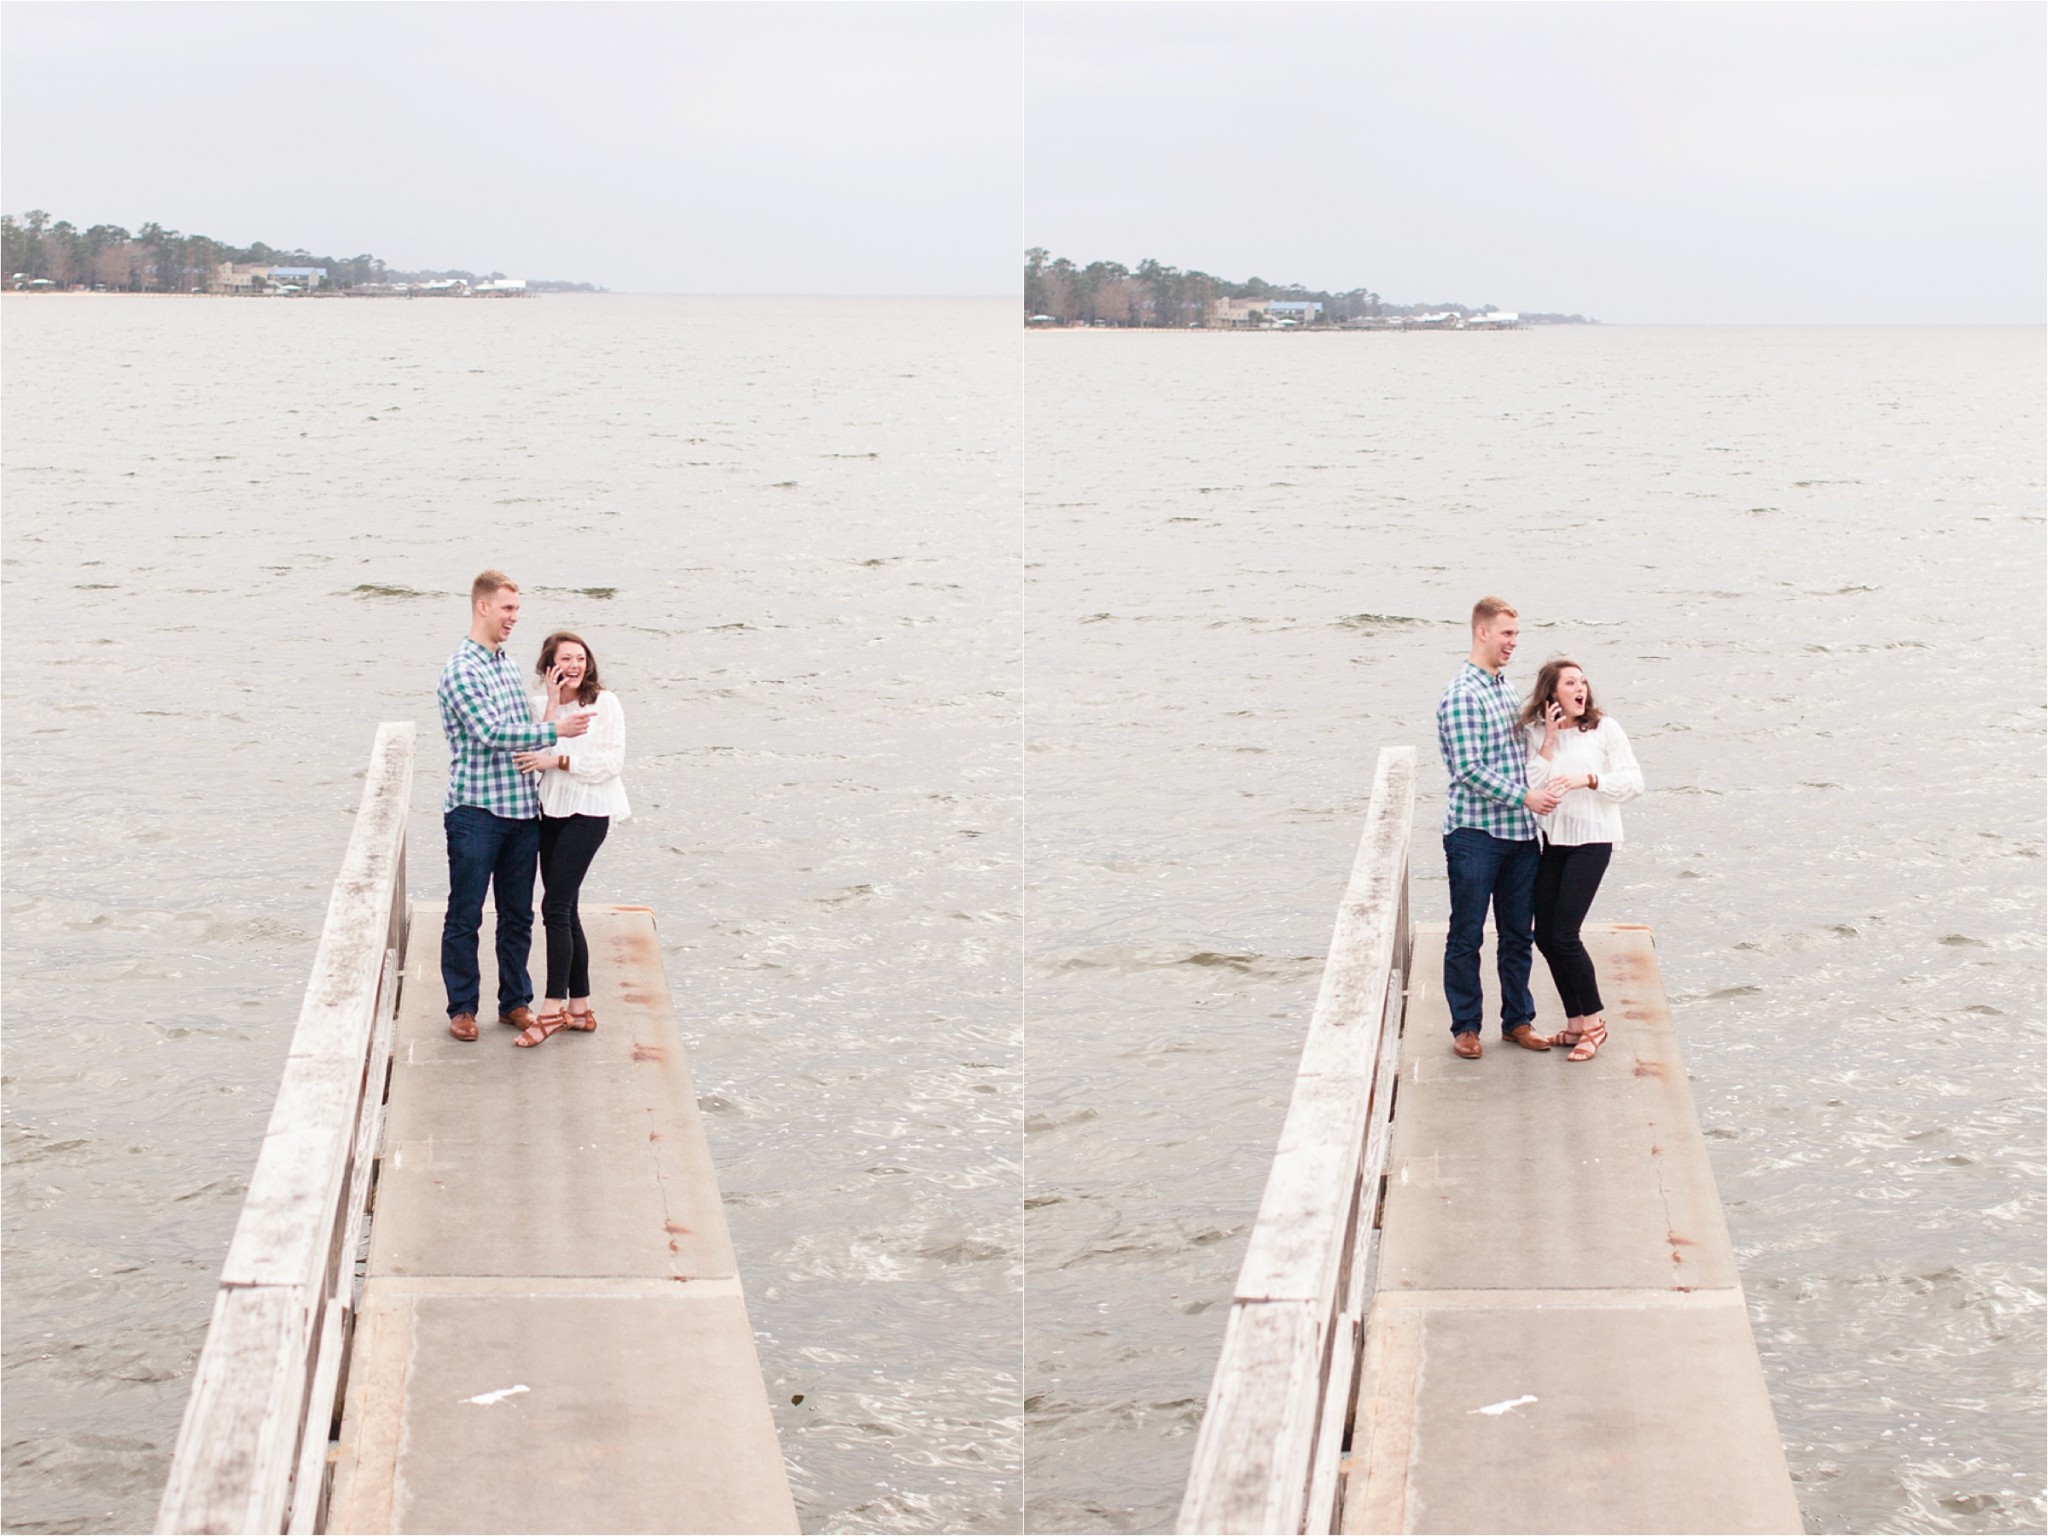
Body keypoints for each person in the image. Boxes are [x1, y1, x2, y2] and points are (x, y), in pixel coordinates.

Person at [438, 571, 590, 1043]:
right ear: (482, 607)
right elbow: (492, 734)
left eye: (517, 610)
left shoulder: (506, 664)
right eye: (507, 609)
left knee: (518, 914)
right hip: (476, 811)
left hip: (521, 810)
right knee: (465, 912)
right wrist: (556, 732)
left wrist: (554, 712)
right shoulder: (462, 670)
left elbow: (522, 723)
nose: (514, 618)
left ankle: (514, 1002)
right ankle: (463, 1008)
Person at [1436, 596, 1562, 1060]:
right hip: (1475, 834)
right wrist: (1525, 796)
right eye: (1507, 633)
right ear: (1482, 632)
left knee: (1517, 934)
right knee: (1466, 933)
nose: (1513, 642)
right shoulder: (1463, 694)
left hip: (1520, 836)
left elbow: (1514, 760)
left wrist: (1549, 740)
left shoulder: (1505, 690)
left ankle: (1518, 1021)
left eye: (1516, 634)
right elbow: (1468, 769)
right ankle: (1466, 1027)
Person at [509, 631, 630, 1047]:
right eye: (565, 659)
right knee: (568, 907)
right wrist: (553, 702)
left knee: (554, 906)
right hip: (551, 812)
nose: (575, 665)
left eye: (580, 658)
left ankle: (550, 1010)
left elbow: (610, 762)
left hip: (590, 812)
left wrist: (557, 760)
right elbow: (532, 746)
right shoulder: (542, 706)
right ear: (550, 665)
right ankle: (580, 1008)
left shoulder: (605, 703)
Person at [1520, 658, 1644, 1060]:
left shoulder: (1604, 728)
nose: (1580, 689)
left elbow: (1633, 783)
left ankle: (1594, 1023)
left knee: (1565, 935)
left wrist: (1589, 779)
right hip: (1554, 842)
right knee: (1545, 936)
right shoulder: (1539, 732)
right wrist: (1550, 740)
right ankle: (1575, 1023)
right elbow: (1534, 788)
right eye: (1570, 683)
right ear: (1551, 693)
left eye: (1583, 682)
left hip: (1593, 840)